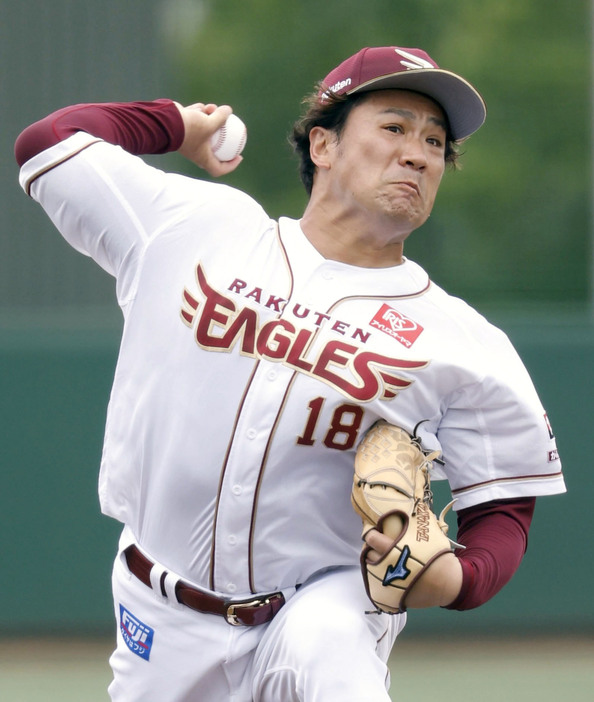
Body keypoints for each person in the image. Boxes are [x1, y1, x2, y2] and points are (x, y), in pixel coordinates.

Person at [15, 45, 565, 702]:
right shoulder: (197, 228)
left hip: (325, 598)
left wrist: (459, 578)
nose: (419, 154)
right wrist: (178, 126)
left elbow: (503, 509)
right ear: (323, 146)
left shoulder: (464, 342)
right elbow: (50, 143)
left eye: (436, 141)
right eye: (394, 127)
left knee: (329, 648)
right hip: (159, 610)